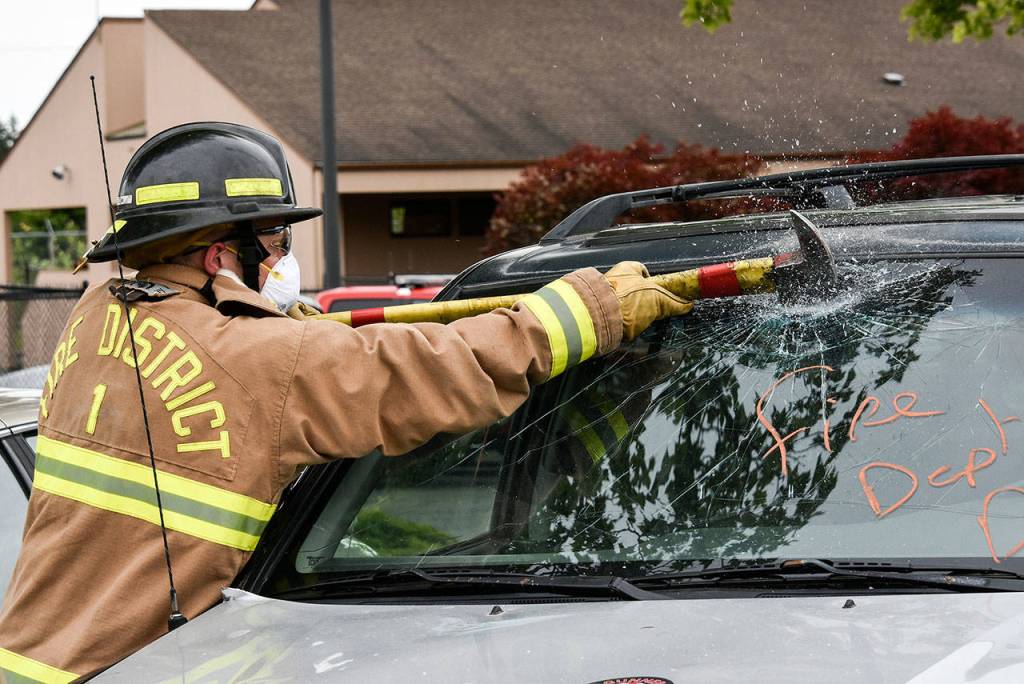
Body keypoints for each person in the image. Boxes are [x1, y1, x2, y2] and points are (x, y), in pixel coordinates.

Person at [0, 122, 691, 681]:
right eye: (271, 240)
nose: (278, 257)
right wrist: (588, 311)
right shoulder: (268, 362)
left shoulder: (95, 316)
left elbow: (208, 351)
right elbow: (440, 371)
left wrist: (270, 321)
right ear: (218, 256)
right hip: (133, 671)